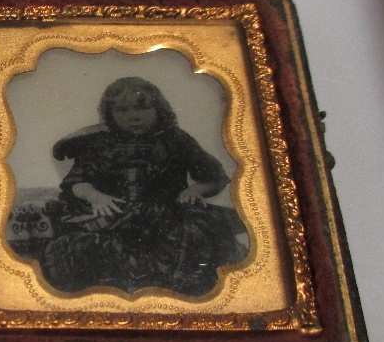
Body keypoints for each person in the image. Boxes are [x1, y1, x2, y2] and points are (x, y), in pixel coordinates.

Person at [38, 76, 247, 296]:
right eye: (122, 110)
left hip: (167, 214)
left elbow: (215, 177)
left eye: (143, 107)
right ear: (110, 114)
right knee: (68, 248)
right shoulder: (99, 143)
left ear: (159, 109)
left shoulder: (176, 139)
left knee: (194, 235)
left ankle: (176, 294)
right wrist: (94, 196)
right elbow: (76, 182)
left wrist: (194, 189)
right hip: (115, 215)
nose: (133, 116)